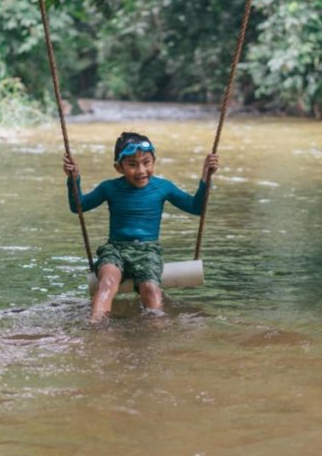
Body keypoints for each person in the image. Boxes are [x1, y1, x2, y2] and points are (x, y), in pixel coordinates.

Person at [63, 131, 219, 322]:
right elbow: (78, 206)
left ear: (154, 162)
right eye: (132, 164)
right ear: (118, 168)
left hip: (148, 250)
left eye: (147, 162)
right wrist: (74, 179)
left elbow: (196, 208)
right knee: (107, 283)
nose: (141, 170)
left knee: (150, 288)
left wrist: (205, 178)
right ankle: (96, 326)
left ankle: (155, 328)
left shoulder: (163, 187)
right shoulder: (109, 188)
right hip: (115, 249)